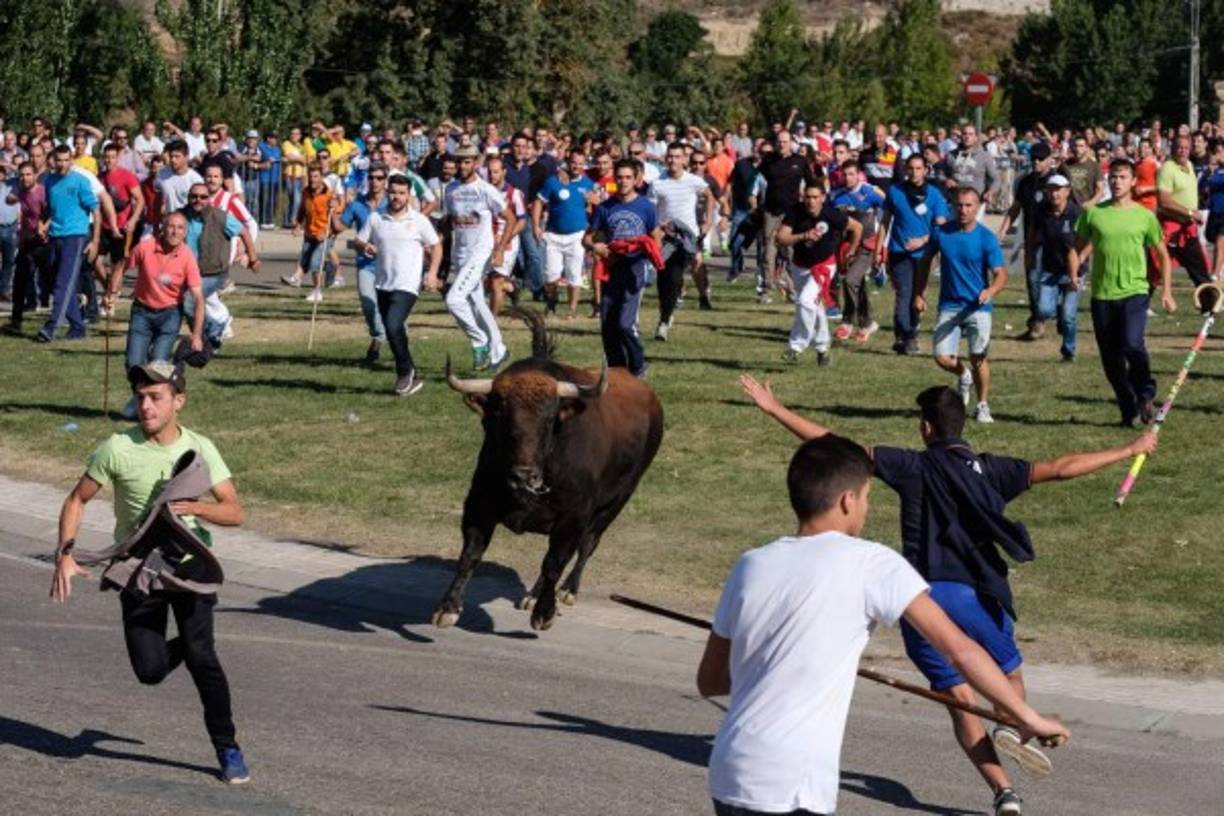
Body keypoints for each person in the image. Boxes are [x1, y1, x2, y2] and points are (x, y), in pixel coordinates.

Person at [738, 377, 1166, 816]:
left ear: (926, 429)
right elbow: (1061, 466)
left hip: (920, 603)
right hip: (976, 599)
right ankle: (1012, 726)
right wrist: (1129, 449)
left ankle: (1004, 793)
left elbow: (835, 447)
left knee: (961, 701)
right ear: (960, 426)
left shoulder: (911, 466)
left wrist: (775, 409)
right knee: (1009, 678)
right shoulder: (993, 469)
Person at [698, 431, 1071, 816]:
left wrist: (778, 667)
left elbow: (710, 681)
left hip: (729, 773)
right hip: (792, 785)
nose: (866, 509)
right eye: (866, 498)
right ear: (848, 500)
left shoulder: (750, 564)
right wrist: (1027, 718)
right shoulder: (870, 562)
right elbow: (959, 650)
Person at [50, 358, 251, 785]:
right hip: (138, 568)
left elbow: (236, 511)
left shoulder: (200, 448)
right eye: (141, 397)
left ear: (178, 401)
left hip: (189, 564)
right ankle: (187, 646)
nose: (145, 406)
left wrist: (198, 507)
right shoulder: (117, 448)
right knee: (150, 670)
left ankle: (228, 748)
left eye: (155, 397)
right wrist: (65, 553)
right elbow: (76, 500)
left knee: (203, 658)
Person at [1070, 158, 1176, 427]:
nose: (1117, 182)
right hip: (1102, 296)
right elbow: (1076, 247)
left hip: (1135, 291)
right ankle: (1128, 409)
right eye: (1113, 177)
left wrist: (1167, 291)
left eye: (1123, 177)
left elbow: (1163, 256)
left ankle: (1146, 391)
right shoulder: (1094, 213)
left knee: (1132, 343)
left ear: (1132, 182)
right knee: (1111, 360)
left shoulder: (1144, 216)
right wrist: (1073, 272)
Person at [916, 187, 1008, 424]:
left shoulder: (986, 238)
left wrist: (991, 291)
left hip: (978, 307)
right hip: (950, 305)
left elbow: (1000, 273)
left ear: (977, 207)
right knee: (941, 357)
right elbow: (925, 260)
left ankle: (982, 405)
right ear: (952, 207)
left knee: (978, 356)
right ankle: (962, 373)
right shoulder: (941, 233)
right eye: (959, 205)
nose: (964, 210)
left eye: (969, 205)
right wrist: (919, 293)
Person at [354, 174, 443, 396]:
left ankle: (404, 372)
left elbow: (436, 245)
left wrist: (432, 272)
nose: (397, 197)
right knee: (394, 331)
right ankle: (412, 373)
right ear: (387, 192)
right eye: (393, 192)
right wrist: (364, 246)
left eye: (402, 193)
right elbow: (358, 240)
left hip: (408, 284)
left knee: (393, 325)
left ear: (408, 195)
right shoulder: (376, 219)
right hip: (383, 284)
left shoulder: (418, 220)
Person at [584, 158, 660, 378]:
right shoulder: (605, 208)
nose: (623, 181)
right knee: (608, 326)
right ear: (613, 179)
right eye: (619, 177)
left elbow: (656, 238)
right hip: (611, 267)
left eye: (628, 177)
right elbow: (587, 238)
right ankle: (618, 370)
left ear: (637, 179)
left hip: (635, 267)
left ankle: (637, 366)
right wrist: (595, 245)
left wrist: (650, 255)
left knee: (625, 324)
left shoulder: (646, 207)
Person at [444, 144, 514, 370]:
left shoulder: (485, 190)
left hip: (480, 253)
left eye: (467, 161)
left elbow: (510, 219)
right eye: (459, 161)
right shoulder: (450, 189)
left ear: (475, 163)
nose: (462, 166)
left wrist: (500, 249)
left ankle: (479, 340)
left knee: (454, 300)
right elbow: (451, 221)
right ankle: (499, 350)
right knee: (477, 305)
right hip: (461, 254)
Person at [775, 184, 860, 367]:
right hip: (799, 266)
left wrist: (851, 251)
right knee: (815, 308)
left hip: (824, 266)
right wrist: (803, 236)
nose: (811, 201)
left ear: (823, 197)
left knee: (805, 301)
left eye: (815, 197)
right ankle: (822, 350)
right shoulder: (796, 212)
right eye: (807, 197)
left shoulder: (832, 214)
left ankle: (796, 347)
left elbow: (857, 227)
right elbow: (780, 238)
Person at [875, 153, 951, 355]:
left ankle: (909, 335)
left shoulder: (934, 195)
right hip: (899, 251)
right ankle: (905, 335)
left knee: (918, 296)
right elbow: (885, 222)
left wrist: (923, 240)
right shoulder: (894, 191)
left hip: (925, 254)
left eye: (919, 168)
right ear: (906, 170)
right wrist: (878, 248)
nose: (915, 172)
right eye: (911, 168)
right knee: (903, 294)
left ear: (926, 170)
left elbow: (941, 225)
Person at [37, 145, 100, 343]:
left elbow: (96, 212)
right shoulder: (49, 181)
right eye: (59, 160)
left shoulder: (81, 181)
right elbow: (49, 208)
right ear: (53, 161)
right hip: (56, 236)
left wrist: (95, 241)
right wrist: (43, 225)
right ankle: (78, 327)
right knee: (65, 285)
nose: (62, 164)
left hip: (76, 237)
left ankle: (52, 326)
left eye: (66, 160)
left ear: (71, 160)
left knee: (62, 283)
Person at [651, 142, 714, 338]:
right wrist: (658, 228)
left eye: (677, 157)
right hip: (665, 238)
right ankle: (666, 312)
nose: (673, 160)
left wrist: (708, 221)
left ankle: (663, 323)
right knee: (663, 280)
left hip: (687, 237)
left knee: (675, 275)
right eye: (670, 156)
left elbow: (710, 196)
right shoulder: (657, 183)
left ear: (684, 160)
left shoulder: (693, 181)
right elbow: (651, 211)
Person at [998, 141, 1056, 341]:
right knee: (1032, 279)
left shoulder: (1057, 182)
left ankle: (1052, 316)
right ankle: (1038, 322)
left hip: (1054, 239)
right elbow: (1016, 207)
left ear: (1050, 160)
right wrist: (1003, 230)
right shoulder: (1025, 182)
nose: (1037, 162)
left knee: (1054, 280)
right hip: (1032, 239)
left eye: (1041, 159)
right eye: (1034, 159)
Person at [534, 147, 596, 319]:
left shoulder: (589, 184)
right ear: (568, 162)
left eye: (580, 164)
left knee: (574, 275)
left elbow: (596, 206)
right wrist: (536, 226)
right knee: (550, 275)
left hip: (577, 236)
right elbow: (539, 202)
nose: (576, 166)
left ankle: (572, 310)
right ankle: (551, 304)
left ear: (585, 165)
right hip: (553, 235)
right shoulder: (553, 181)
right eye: (574, 163)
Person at [337, 162, 390, 363]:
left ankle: (385, 339)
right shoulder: (357, 203)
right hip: (365, 263)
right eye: (371, 178)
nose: (375, 182)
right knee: (368, 302)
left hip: (389, 264)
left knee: (389, 307)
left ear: (385, 180)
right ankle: (378, 336)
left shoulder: (393, 203)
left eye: (379, 178)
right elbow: (339, 226)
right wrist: (333, 209)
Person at [828, 160, 884, 342]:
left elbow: (888, 210)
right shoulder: (836, 195)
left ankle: (848, 321)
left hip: (868, 245)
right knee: (856, 282)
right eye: (845, 174)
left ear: (858, 174)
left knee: (850, 281)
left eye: (852, 174)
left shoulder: (869, 192)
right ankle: (867, 323)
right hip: (847, 246)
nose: (848, 178)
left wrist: (883, 241)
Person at [1032, 175, 1083, 361]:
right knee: (1044, 310)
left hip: (1075, 271)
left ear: (1068, 191)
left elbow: (1087, 241)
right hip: (1050, 269)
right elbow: (1033, 234)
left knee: (1069, 317)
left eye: (1058, 189)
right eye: (1051, 189)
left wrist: (1077, 269)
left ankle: (1068, 351)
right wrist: (1030, 256)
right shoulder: (1042, 212)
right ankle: (1059, 312)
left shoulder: (1076, 213)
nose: (1054, 193)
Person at [1156, 134, 1211, 287]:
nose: (1183, 151)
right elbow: (1164, 201)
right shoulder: (1168, 168)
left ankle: (1209, 306)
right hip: (1170, 229)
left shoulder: (1189, 166)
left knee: (1200, 270)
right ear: (1173, 149)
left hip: (1187, 228)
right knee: (1155, 269)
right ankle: (1139, 306)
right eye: (1179, 147)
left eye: (1186, 148)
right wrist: (1190, 212)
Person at [285, 165, 336, 302]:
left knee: (315, 262)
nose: (313, 180)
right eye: (311, 176)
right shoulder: (305, 192)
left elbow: (336, 218)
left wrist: (328, 232)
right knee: (304, 259)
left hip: (324, 234)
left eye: (316, 176)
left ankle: (317, 291)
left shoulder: (328, 194)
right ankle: (297, 278)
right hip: (309, 232)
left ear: (321, 178)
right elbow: (303, 210)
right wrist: (298, 225)